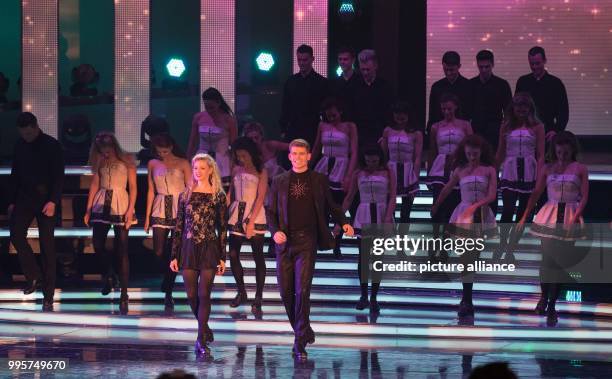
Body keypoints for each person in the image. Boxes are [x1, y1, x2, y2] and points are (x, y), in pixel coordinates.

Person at [268, 139, 354, 361]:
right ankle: (303, 330)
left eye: (301, 154)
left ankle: (299, 343)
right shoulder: (278, 181)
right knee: (286, 292)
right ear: (289, 157)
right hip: (285, 243)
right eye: (293, 154)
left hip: (307, 241)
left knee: (302, 291)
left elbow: (332, 205)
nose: (297, 157)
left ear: (308, 156)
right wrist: (275, 230)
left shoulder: (318, 180)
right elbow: (270, 212)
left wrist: (343, 222)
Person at [518, 131, 588, 326]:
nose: (562, 156)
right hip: (549, 214)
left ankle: (552, 304)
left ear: (572, 150)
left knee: (560, 264)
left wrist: (574, 218)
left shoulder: (580, 168)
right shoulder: (548, 168)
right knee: (547, 260)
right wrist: (524, 216)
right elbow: (536, 192)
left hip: (570, 215)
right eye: (559, 152)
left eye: (565, 152)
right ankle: (543, 297)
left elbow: (584, 197)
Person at [431, 134, 497, 318]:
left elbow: (491, 195)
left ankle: (467, 298)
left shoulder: (489, 170)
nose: (472, 156)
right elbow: (447, 188)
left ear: (481, 152)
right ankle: (466, 299)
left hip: (480, 215)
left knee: (472, 257)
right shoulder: (460, 170)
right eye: (469, 153)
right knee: (465, 257)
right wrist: (436, 205)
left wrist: (476, 206)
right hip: (463, 214)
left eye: (475, 153)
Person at [170, 153, 228, 356]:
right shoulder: (185, 195)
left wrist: (223, 256)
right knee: (192, 295)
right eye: (196, 168)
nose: (198, 172)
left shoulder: (218, 195)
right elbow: (178, 226)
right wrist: (174, 255)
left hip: (209, 248)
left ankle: (200, 339)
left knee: (204, 294)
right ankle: (205, 328)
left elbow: (223, 228)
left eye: (202, 168)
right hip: (187, 248)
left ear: (210, 170)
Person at [8, 112, 64, 312]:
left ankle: (48, 296)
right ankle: (33, 274)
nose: (27, 137)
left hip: (46, 199)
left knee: (47, 247)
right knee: (15, 234)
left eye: (29, 133)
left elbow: (59, 176)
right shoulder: (19, 145)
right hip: (24, 197)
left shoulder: (51, 144)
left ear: (36, 126)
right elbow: (15, 174)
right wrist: (12, 201)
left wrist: (53, 201)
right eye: (23, 134)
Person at [84, 131, 137, 314]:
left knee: (122, 248)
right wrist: (88, 209)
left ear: (113, 145)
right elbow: (94, 184)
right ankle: (109, 274)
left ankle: (124, 293)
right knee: (97, 244)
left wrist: (131, 210)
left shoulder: (127, 160)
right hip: (101, 203)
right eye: (101, 148)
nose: (105, 151)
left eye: (107, 147)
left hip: (121, 202)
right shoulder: (100, 161)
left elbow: (134, 187)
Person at [342, 146, 396, 312]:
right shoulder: (358, 174)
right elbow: (350, 197)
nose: (371, 164)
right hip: (364, 214)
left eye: (374, 160)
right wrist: (340, 219)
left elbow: (393, 195)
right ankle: (364, 295)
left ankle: (374, 297)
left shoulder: (388, 173)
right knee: (363, 258)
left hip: (380, 213)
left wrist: (388, 215)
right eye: (368, 161)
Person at [495, 93, 545, 262]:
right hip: (510, 170)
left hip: (529, 171)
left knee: (524, 213)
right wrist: (493, 172)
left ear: (530, 108)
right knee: (508, 209)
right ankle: (502, 243)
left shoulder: (538, 127)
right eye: (518, 107)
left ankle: (511, 248)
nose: (521, 110)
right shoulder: (506, 126)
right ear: (513, 109)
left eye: (525, 106)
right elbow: (500, 151)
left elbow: (540, 154)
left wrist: (540, 176)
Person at [143, 134, 191, 310]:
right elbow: (150, 191)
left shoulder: (183, 163)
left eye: (165, 150)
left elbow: (190, 189)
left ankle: (168, 290)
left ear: (171, 147)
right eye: (159, 151)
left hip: (180, 207)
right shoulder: (153, 164)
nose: (162, 154)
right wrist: (147, 217)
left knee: (175, 252)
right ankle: (168, 280)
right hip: (160, 206)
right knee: (158, 251)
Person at [424, 94, 473, 258]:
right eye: (444, 109)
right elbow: (432, 150)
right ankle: (435, 243)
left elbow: (471, 147)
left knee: (452, 208)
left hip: (458, 166)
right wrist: (429, 171)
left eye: (449, 108)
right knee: (437, 207)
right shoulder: (436, 127)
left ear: (456, 108)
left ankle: (445, 246)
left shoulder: (465, 125)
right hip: (439, 167)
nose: (446, 112)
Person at [312, 97, 358, 256]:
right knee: (322, 205)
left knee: (338, 208)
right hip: (324, 166)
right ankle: (324, 240)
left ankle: (337, 244)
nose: (331, 113)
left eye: (334, 110)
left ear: (340, 111)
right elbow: (317, 147)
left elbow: (354, 152)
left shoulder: (350, 126)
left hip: (342, 166)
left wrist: (349, 175)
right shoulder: (322, 125)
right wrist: (307, 167)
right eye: (328, 110)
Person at [227, 137, 268, 313]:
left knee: (257, 256)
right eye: (238, 156)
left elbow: (261, 197)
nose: (241, 159)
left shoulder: (261, 170)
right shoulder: (236, 168)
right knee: (233, 254)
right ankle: (241, 291)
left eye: (243, 155)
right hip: (237, 212)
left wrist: (251, 222)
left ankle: (258, 296)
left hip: (255, 214)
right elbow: (231, 192)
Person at [186, 87, 238, 190]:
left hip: (222, 161)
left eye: (212, 107)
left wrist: (234, 164)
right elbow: (192, 141)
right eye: (206, 106)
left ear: (218, 103)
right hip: (201, 159)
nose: (209, 110)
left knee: (220, 191)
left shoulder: (229, 120)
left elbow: (234, 144)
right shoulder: (198, 117)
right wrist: (187, 160)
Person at [380, 101, 422, 223]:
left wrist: (416, 177)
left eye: (403, 114)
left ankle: (403, 238)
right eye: (397, 114)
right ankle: (388, 237)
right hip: (390, 169)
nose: (400, 117)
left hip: (408, 171)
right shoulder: (387, 130)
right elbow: (384, 154)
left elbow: (418, 157)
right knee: (388, 207)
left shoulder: (416, 133)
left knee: (406, 210)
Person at [515, 46, 569, 141]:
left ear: (544, 61)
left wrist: (556, 130)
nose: (534, 67)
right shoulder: (522, 82)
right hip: (525, 132)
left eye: (537, 63)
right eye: (532, 64)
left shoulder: (556, 84)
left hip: (548, 134)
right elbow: (515, 108)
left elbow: (563, 111)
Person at [279, 44, 329, 146]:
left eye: (305, 60)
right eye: (299, 60)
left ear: (312, 59)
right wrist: (283, 130)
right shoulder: (290, 82)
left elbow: (325, 109)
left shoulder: (322, 83)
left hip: (313, 130)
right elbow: (285, 107)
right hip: (293, 130)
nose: (301, 63)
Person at [469, 50, 512, 150]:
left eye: (486, 67)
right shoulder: (470, 85)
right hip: (476, 131)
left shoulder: (502, 85)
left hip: (495, 132)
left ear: (492, 65)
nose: (484, 70)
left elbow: (508, 111)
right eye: (481, 67)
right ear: (477, 65)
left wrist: (505, 130)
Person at [352, 49, 394, 144]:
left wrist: (384, 135)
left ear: (376, 66)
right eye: (363, 70)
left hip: (380, 136)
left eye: (368, 70)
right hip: (359, 136)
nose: (365, 73)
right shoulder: (354, 86)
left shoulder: (385, 87)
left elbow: (389, 113)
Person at [427, 51, 472, 136]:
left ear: (459, 66)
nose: (448, 73)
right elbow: (433, 114)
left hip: (462, 132)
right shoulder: (437, 87)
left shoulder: (468, 86)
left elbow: (471, 112)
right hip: (441, 133)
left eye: (451, 70)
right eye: (445, 69)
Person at [330, 46, 361, 122]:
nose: (342, 62)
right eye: (340, 59)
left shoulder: (360, 81)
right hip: (340, 124)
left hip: (358, 123)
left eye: (345, 59)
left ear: (353, 60)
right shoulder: (334, 83)